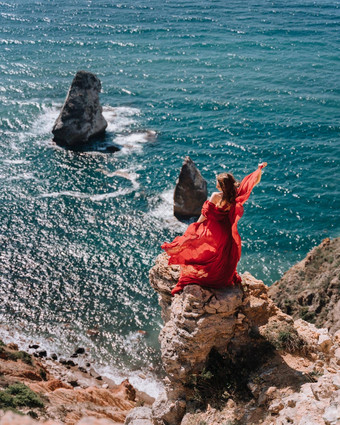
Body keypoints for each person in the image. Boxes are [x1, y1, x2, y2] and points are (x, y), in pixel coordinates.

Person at [161, 162, 267, 296]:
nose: (216, 184)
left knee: (205, 254)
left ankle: (206, 277)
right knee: (221, 256)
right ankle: (219, 278)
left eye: (218, 182)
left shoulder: (216, 196)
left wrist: (196, 226)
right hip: (226, 232)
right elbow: (252, 182)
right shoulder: (236, 195)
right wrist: (259, 169)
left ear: (222, 185)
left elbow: (205, 214)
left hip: (214, 230)